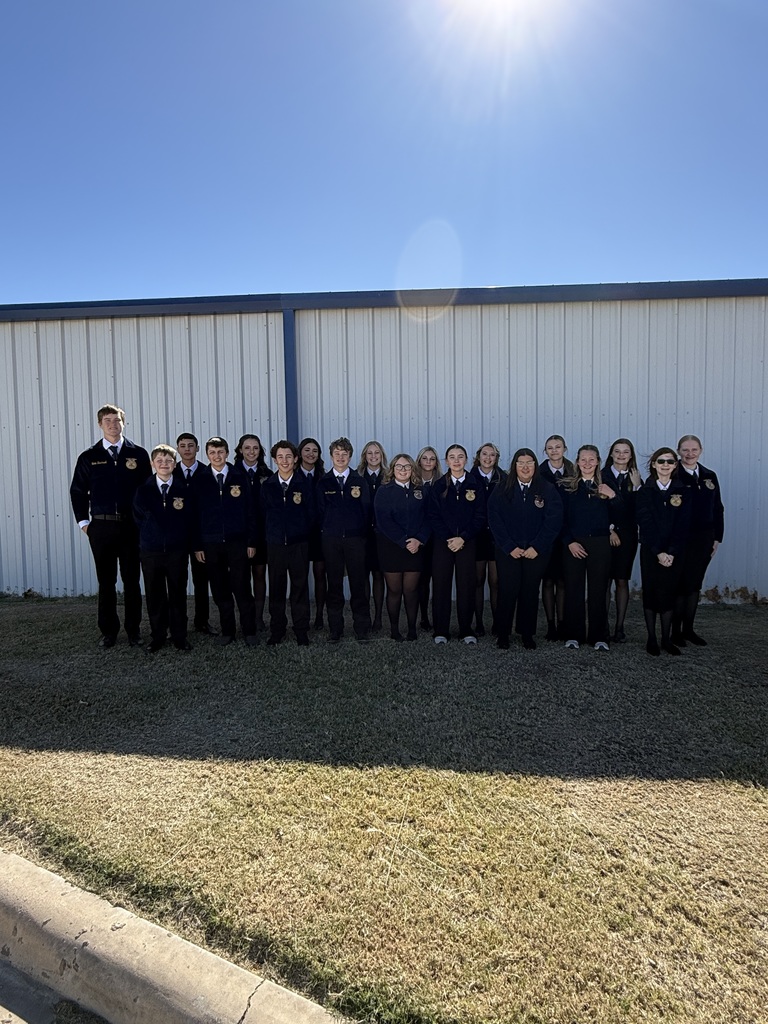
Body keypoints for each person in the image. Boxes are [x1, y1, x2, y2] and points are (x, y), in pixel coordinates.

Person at [70, 404, 151, 647]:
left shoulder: (137, 454)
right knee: (106, 581)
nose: (113, 425)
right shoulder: (89, 457)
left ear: (123, 423)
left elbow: (148, 490)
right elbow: (77, 491)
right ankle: (109, 631)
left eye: (117, 420)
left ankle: (133, 630)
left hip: (130, 528)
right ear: (99, 424)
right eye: (107, 420)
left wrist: (143, 522)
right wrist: (85, 523)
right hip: (101, 529)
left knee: (131, 580)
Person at [488, 449, 563, 650]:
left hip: (535, 552)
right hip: (508, 551)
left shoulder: (546, 489)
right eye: (520, 463)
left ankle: (527, 633)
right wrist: (508, 546)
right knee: (507, 590)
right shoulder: (502, 487)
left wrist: (537, 546)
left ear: (535, 465)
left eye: (529, 462)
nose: (525, 467)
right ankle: (503, 633)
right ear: (514, 466)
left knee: (529, 592)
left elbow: (554, 520)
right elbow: (494, 518)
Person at [193, 437, 259, 647]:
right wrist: (197, 545)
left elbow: (251, 512)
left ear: (228, 453)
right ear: (207, 455)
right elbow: (194, 516)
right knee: (220, 589)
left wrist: (251, 541)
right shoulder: (200, 478)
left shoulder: (239, 476)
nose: (217, 456)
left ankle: (249, 631)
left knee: (242, 587)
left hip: (237, 542)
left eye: (220, 452)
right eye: (212, 452)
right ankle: (227, 631)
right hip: (211, 544)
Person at [133, 444, 195, 652]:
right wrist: (153, 535)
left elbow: (189, 519)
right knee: (155, 594)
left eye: (168, 460)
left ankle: (179, 636)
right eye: (159, 460)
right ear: (152, 464)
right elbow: (139, 519)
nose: (164, 464)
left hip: (177, 551)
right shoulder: (143, 490)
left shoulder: (183, 490)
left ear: (174, 464)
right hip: (151, 551)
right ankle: (158, 636)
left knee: (177, 594)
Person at [560, 445, 621, 650]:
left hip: (600, 543)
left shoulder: (607, 485)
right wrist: (569, 541)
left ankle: (599, 636)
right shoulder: (568, 487)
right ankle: (573, 635)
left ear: (598, 462)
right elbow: (560, 519)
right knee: (574, 589)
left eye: (591, 460)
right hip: (574, 544)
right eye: (583, 460)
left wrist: (613, 497)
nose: (587, 464)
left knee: (598, 589)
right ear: (577, 462)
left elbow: (622, 514)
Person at [427, 444, 487, 644]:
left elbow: (480, 516)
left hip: (467, 542)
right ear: (446, 461)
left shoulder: (475, 483)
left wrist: (464, 537)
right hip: (443, 543)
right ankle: (441, 630)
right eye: (452, 457)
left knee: (467, 585)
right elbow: (433, 516)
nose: (456, 460)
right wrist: (449, 538)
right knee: (441, 586)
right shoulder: (438, 485)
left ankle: (465, 629)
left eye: (460, 456)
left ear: (467, 460)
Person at [635, 448, 692, 656]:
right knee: (651, 593)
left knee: (669, 594)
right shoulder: (645, 491)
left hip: (674, 553)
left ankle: (666, 639)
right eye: (661, 461)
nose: (665, 465)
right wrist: (658, 552)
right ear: (653, 464)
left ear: (675, 465)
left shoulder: (684, 491)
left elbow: (683, 525)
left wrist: (671, 552)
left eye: (670, 461)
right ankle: (651, 638)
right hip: (651, 551)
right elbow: (645, 523)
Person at [317, 437, 372, 643]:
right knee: (334, 586)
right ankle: (335, 630)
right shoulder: (324, 482)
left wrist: (359, 534)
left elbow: (366, 511)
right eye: (337, 454)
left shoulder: (360, 481)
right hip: (331, 541)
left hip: (355, 540)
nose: (341, 457)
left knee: (359, 585)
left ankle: (361, 629)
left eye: (345, 454)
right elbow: (319, 512)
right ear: (331, 457)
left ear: (350, 456)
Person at [261, 440, 316, 646]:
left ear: (295, 459)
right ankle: (277, 630)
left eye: (288, 457)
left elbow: (311, 515)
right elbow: (262, 515)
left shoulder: (304, 485)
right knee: (276, 588)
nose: (284, 461)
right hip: (275, 545)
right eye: (280, 457)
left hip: (298, 544)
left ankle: (301, 629)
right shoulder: (267, 486)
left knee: (299, 587)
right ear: (275, 460)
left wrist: (299, 533)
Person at [672, 434, 725, 646]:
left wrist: (717, 538)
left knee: (694, 585)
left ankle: (689, 630)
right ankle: (674, 631)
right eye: (685, 450)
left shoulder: (709, 476)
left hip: (704, 539)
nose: (689, 453)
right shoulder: (672, 473)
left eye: (694, 450)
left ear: (700, 450)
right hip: (680, 539)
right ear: (678, 451)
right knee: (679, 585)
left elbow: (718, 508)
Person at [374, 454, 430, 641]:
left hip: (415, 548)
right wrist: (403, 540)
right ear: (393, 469)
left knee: (411, 590)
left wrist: (419, 540)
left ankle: (412, 629)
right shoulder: (384, 491)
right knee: (395, 591)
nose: (403, 470)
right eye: (399, 466)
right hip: (392, 548)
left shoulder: (421, 490)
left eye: (407, 467)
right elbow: (383, 521)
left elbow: (429, 518)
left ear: (413, 469)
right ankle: (395, 630)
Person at [174, 432, 217, 635]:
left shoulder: (207, 472)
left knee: (201, 580)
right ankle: (178, 622)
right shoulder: (170, 471)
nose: (187, 449)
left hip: (200, 536)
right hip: (177, 536)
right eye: (183, 446)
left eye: (191, 445)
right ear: (178, 449)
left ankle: (202, 621)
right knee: (177, 580)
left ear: (198, 448)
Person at [602, 438, 642, 642]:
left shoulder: (636, 478)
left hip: (627, 536)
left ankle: (619, 627)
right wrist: (609, 530)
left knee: (621, 580)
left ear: (630, 455)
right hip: (606, 534)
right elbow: (598, 509)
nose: (621, 455)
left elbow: (637, 512)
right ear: (611, 454)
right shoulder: (602, 475)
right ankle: (603, 626)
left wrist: (636, 489)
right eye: (617, 451)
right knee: (604, 581)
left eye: (625, 452)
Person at [234, 434, 273, 631]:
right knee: (241, 577)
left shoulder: (267, 473)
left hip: (262, 533)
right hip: (239, 533)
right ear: (240, 450)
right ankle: (244, 618)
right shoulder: (232, 473)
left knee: (259, 573)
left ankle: (258, 617)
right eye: (247, 448)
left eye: (255, 448)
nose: (251, 452)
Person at [538, 435, 573, 640]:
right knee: (548, 581)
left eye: (557, 447)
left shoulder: (573, 471)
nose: (554, 451)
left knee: (563, 582)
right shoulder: (539, 473)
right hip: (546, 536)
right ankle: (550, 624)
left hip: (567, 535)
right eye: (550, 448)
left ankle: (562, 623)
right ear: (545, 451)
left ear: (564, 449)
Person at [469, 442, 505, 636]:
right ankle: (478, 624)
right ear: (478, 456)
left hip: (497, 537)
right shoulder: (469, 478)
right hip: (476, 537)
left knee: (496, 581)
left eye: (492, 455)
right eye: (485, 454)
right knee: (477, 580)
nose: (488, 458)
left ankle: (498, 623)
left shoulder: (504, 478)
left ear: (496, 458)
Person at [358, 440, 388, 631]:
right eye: (370, 453)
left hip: (382, 534)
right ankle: (365, 617)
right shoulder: (357, 477)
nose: (373, 456)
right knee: (362, 576)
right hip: (361, 535)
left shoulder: (389, 477)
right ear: (364, 456)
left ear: (382, 455)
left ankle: (378, 617)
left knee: (379, 575)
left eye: (377, 453)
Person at [298, 436, 327, 629]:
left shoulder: (324, 477)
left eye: (315, 451)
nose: (311, 454)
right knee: (300, 575)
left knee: (319, 574)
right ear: (300, 453)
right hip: (298, 533)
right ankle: (302, 617)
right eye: (307, 450)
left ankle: (319, 616)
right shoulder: (291, 475)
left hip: (319, 533)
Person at [416, 445, 441, 630]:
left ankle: (438, 615)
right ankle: (423, 616)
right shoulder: (412, 481)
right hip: (419, 537)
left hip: (437, 538)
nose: (428, 462)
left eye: (432, 459)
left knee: (437, 578)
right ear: (419, 461)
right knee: (422, 580)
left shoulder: (441, 482)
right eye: (425, 458)